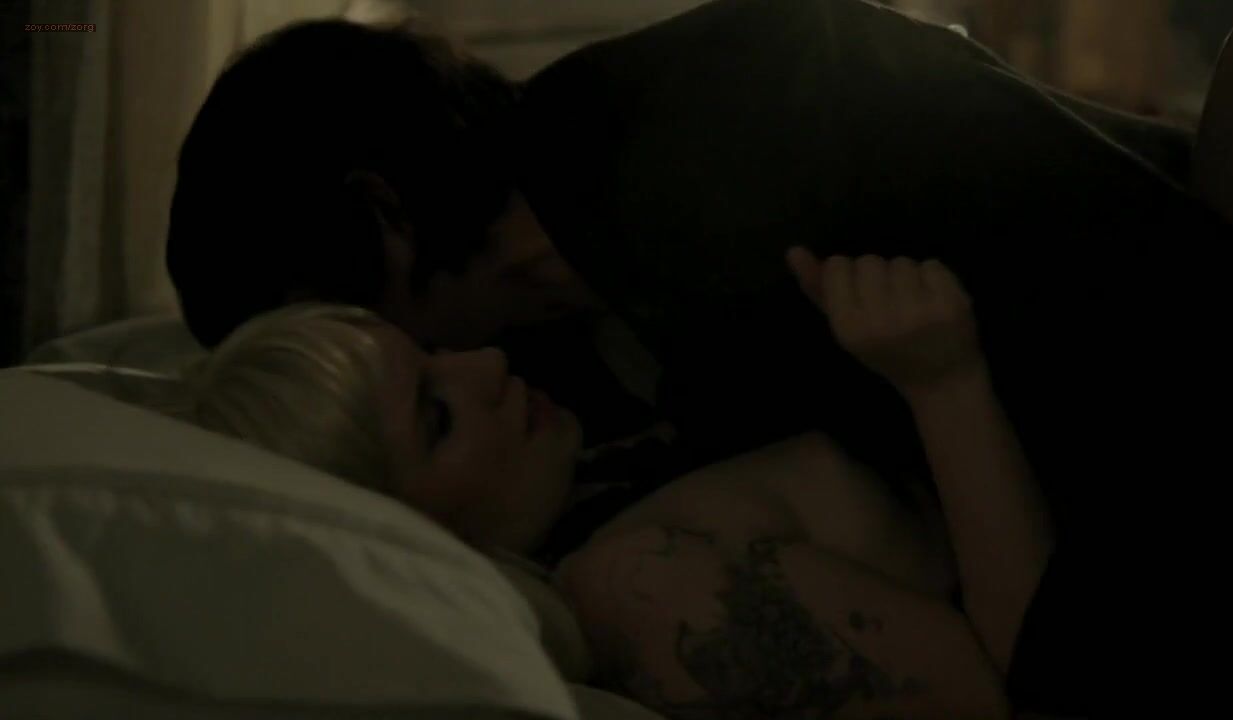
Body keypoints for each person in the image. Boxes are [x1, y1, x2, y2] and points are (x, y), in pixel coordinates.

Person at [166, 4, 1228, 714]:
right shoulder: (565, 367)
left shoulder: (710, 158)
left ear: (384, 221)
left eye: (342, 319)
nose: (460, 371)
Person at [175, 252, 1044, 719]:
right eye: (436, 417)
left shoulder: (590, 498)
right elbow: (1037, 690)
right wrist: (946, 385)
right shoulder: (634, 590)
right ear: (392, 529)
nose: (484, 365)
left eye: (433, 356)